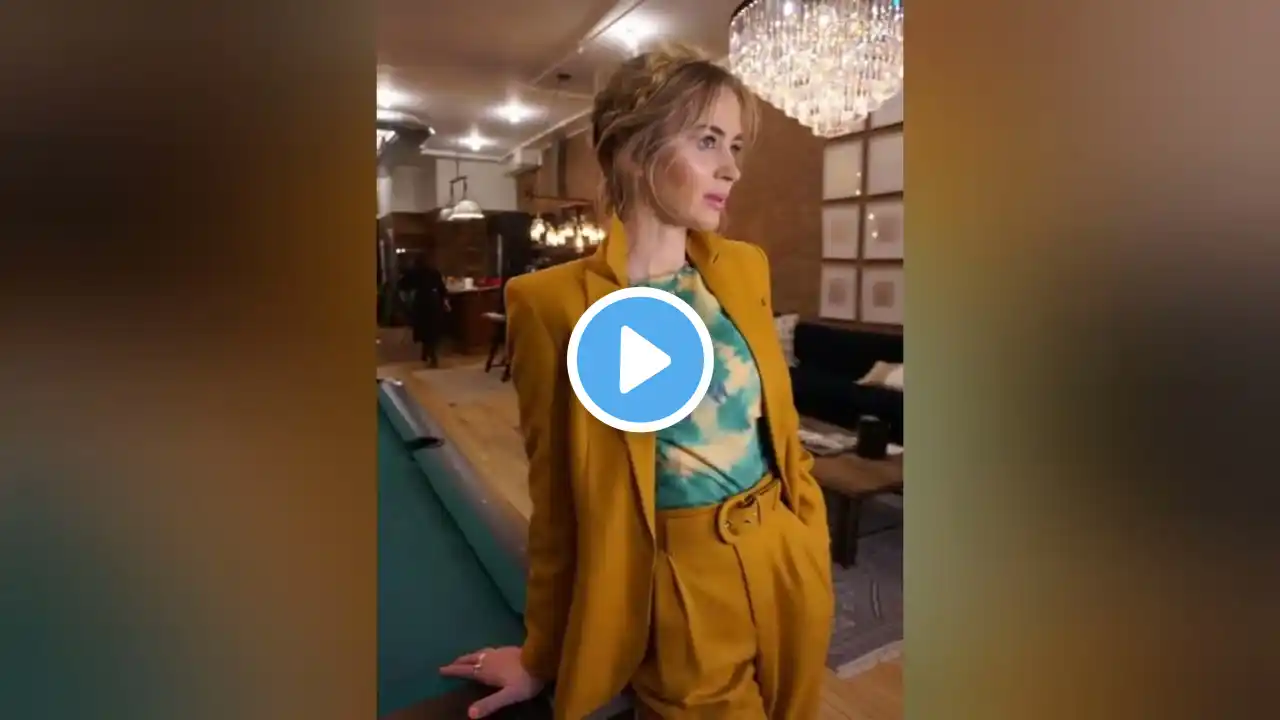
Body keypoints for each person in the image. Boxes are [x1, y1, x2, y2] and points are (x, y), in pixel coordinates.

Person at [440, 46, 835, 719]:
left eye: (735, 145)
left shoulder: (744, 268)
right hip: (680, 580)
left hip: (788, 551)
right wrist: (541, 655)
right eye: (707, 141)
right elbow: (557, 501)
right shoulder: (549, 303)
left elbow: (778, 423)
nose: (732, 168)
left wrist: (807, 530)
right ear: (631, 147)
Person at [399, 255, 450, 367]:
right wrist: (445, 302)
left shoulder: (413, 273)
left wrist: (405, 301)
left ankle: (428, 353)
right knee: (433, 330)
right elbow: (442, 289)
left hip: (421, 302)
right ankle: (431, 354)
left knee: (424, 329)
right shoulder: (434, 272)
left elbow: (402, 286)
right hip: (434, 301)